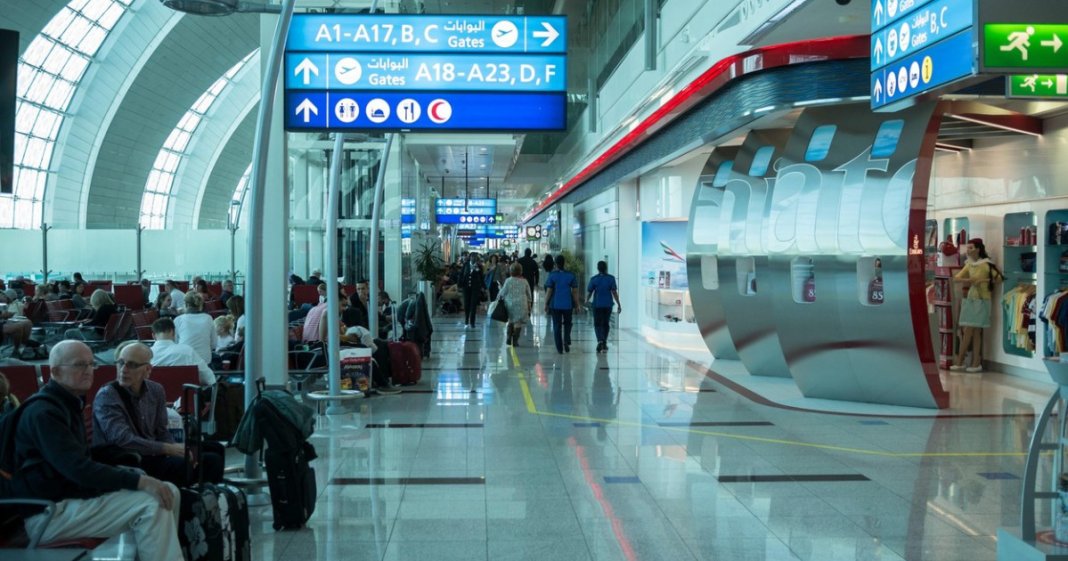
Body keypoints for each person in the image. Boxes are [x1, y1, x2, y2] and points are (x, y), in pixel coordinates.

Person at [5, 340, 182, 560]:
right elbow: (78, 469)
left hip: (68, 503)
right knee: (152, 503)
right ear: (55, 371)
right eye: (80, 365)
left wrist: (127, 470)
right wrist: (138, 481)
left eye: (91, 364)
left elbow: (80, 459)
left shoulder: (66, 404)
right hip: (49, 514)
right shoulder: (44, 413)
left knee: (168, 492)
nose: (88, 371)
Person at [93, 342, 224, 486]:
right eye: (121, 363)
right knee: (194, 463)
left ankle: (207, 497)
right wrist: (168, 449)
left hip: (153, 452)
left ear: (148, 369)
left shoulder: (155, 390)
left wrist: (175, 449)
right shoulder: (108, 395)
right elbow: (122, 440)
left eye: (132, 365)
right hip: (128, 459)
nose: (123, 369)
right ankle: (187, 502)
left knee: (216, 450)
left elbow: (161, 430)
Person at [950, 238, 1003, 373]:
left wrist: (983, 280)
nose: (968, 250)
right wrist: (969, 280)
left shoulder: (986, 265)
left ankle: (961, 361)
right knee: (975, 331)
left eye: (971, 248)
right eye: (967, 248)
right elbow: (955, 278)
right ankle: (975, 363)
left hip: (983, 300)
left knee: (970, 329)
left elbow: (999, 278)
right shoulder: (969, 265)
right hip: (971, 299)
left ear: (978, 249)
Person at [150, 318, 216, 386]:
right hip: (186, 395)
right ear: (173, 332)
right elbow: (209, 378)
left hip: (154, 396)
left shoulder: (145, 356)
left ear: (153, 336)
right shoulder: (187, 351)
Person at [544, 254, 580, 354]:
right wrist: (577, 305)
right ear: (564, 263)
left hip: (555, 305)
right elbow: (575, 292)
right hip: (568, 304)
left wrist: (546, 303)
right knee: (568, 323)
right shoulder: (571, 275)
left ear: (555, 263)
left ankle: (559, 348)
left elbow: (549, 291)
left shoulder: (552, 275)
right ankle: (566, 339)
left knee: (557, 325)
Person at [587, 260, 622, 353]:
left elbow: (590, 292)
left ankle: (600, 341)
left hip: (597, 305)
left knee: (597, 323)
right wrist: (619, 304)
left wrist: (586, 301)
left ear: (598, 269)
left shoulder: (594, 279)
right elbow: (614, 292)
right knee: (605, 323)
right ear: (606, 268)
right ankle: (604, 341)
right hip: (607, 305)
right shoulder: (611, 279)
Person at [174, 291, 216, 364]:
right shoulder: (208, 318)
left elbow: (175, 343)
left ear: (186, 304)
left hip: (184, 361)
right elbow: (214, 344)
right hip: (204, 361)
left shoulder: (178, 320)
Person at [498, 262, 531, 347]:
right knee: (518, 323)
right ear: (520, 271)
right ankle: (515, 340)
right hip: (521, 304)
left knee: (510, 321)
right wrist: (529, 304)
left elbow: (502, 293)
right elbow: (529, 294)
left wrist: (498, 299)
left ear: (511, 271)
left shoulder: (508, 281)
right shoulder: (524, 281)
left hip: (510, 304)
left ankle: (509, 337)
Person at [459, 253, 484, 328]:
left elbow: (481, 277)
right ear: (470, 257)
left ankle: (472, 322)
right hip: (466, 287)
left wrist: (483, 287)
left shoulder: (479, 266)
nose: (473, 258)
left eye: (475, 257)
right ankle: (466, 319)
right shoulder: (466, 265)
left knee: (473, 305)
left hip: (475, 288)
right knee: (467, 304)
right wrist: (459, 284)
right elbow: (461, 274)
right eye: (472, 257)